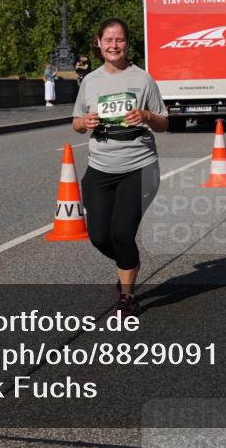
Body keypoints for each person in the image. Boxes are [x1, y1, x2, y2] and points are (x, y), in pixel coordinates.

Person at [72, 18, 169, 317]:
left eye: (120, 40)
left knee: (122, 233)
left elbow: (164, 123)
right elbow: (76, 122)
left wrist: (146, 116)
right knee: (100, 236)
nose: (114, 46)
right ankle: (127, 264)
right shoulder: (90, 81)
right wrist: (84, 123)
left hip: (139, 168)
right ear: (99, 44)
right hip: (100, 168)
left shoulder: (143, 79)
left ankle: (127, 295)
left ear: (127, 44)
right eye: (108, 40)